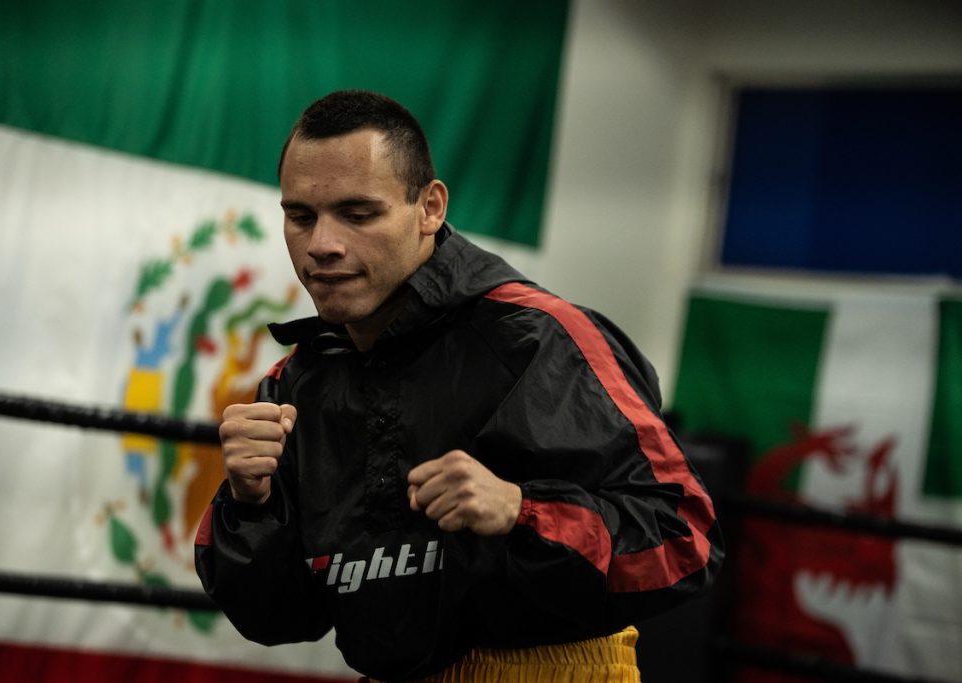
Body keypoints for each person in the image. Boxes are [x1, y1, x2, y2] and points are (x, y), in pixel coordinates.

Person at [195, 90, 723, 683]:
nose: (322, 244)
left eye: (358, 214)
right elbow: (278, 618)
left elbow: (684, 541)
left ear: (430, 208)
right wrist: (251, 503)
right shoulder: (297, 384)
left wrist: (521, 512)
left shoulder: (542, 340)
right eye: (300, 217)